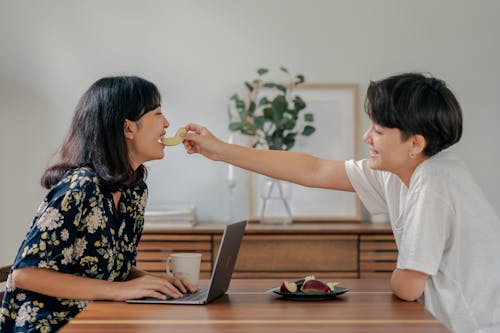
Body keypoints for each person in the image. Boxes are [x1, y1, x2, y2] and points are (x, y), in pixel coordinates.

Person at [181, 73, 500, 333]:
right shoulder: (402, 172)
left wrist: (400, 274)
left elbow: (408, 287)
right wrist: (219, 149)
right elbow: (314, 169)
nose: (366, 138)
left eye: (377, 130)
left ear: (415, 143)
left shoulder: (434, 184)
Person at [0, 76, 197, 332]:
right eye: (158, 113)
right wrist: (119, 290)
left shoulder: (134, 190)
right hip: (53, 326)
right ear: (128, 128)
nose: (167, 123)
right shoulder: (81, 186)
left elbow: (109, 264)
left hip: (98, 318)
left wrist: (153, 281)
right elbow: (26, 274)